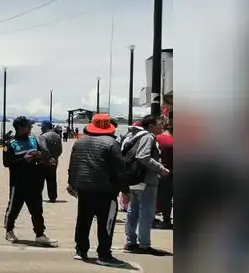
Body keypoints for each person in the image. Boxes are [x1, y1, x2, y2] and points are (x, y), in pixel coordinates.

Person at [66, 113, 129, 264]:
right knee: (106, 223)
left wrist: (72, 184)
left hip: (84, 188)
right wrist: (125, 190)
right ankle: (104, 254)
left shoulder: (79, 142)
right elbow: (120, 170)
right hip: (106, 190)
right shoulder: (112, 143)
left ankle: (81, 250)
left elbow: (73, 165)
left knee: (83, 220)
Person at [121, 115, 170, 254]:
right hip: (146, 181)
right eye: (158, 124)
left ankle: (131, 242)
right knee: (146, 214)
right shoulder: (148, 137)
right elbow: (143, 157)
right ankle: (143, 244)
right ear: (150, 125)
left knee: (133, 212)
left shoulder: (134, 136)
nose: (161, 127)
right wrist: (161, 168)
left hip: (135, 180)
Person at [2, 116, 51, 245]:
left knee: (37, 210)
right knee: (13, 208)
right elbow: (7, 163)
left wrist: (40, 157)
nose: (30, 128)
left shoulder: (34, 140)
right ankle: (9, 230)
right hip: (18, 183)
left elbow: (41, 155)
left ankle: (40, 234)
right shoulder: (10, 144)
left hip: (34, 182)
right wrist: (25, 159)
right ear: (20, 128)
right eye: (28, 126)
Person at [37, 120, 63, 203]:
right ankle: (53, 197)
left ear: (46, 127)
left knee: (40, 180)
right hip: (54, 161)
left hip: (43, 161)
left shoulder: (43, 136)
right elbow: (60, 150)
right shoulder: (57, 136)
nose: (41, 128)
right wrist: (55, 157)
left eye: (42, 126)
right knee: (52, 179)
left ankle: (37, 196)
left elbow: (43, 148)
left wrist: (49, 157)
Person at [154, 124, 173, 229]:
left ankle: (157, 219)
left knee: (161, 197)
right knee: (168, 197)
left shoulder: (157, 138)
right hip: (171, 170)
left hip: (160, 170)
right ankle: (166, 220)